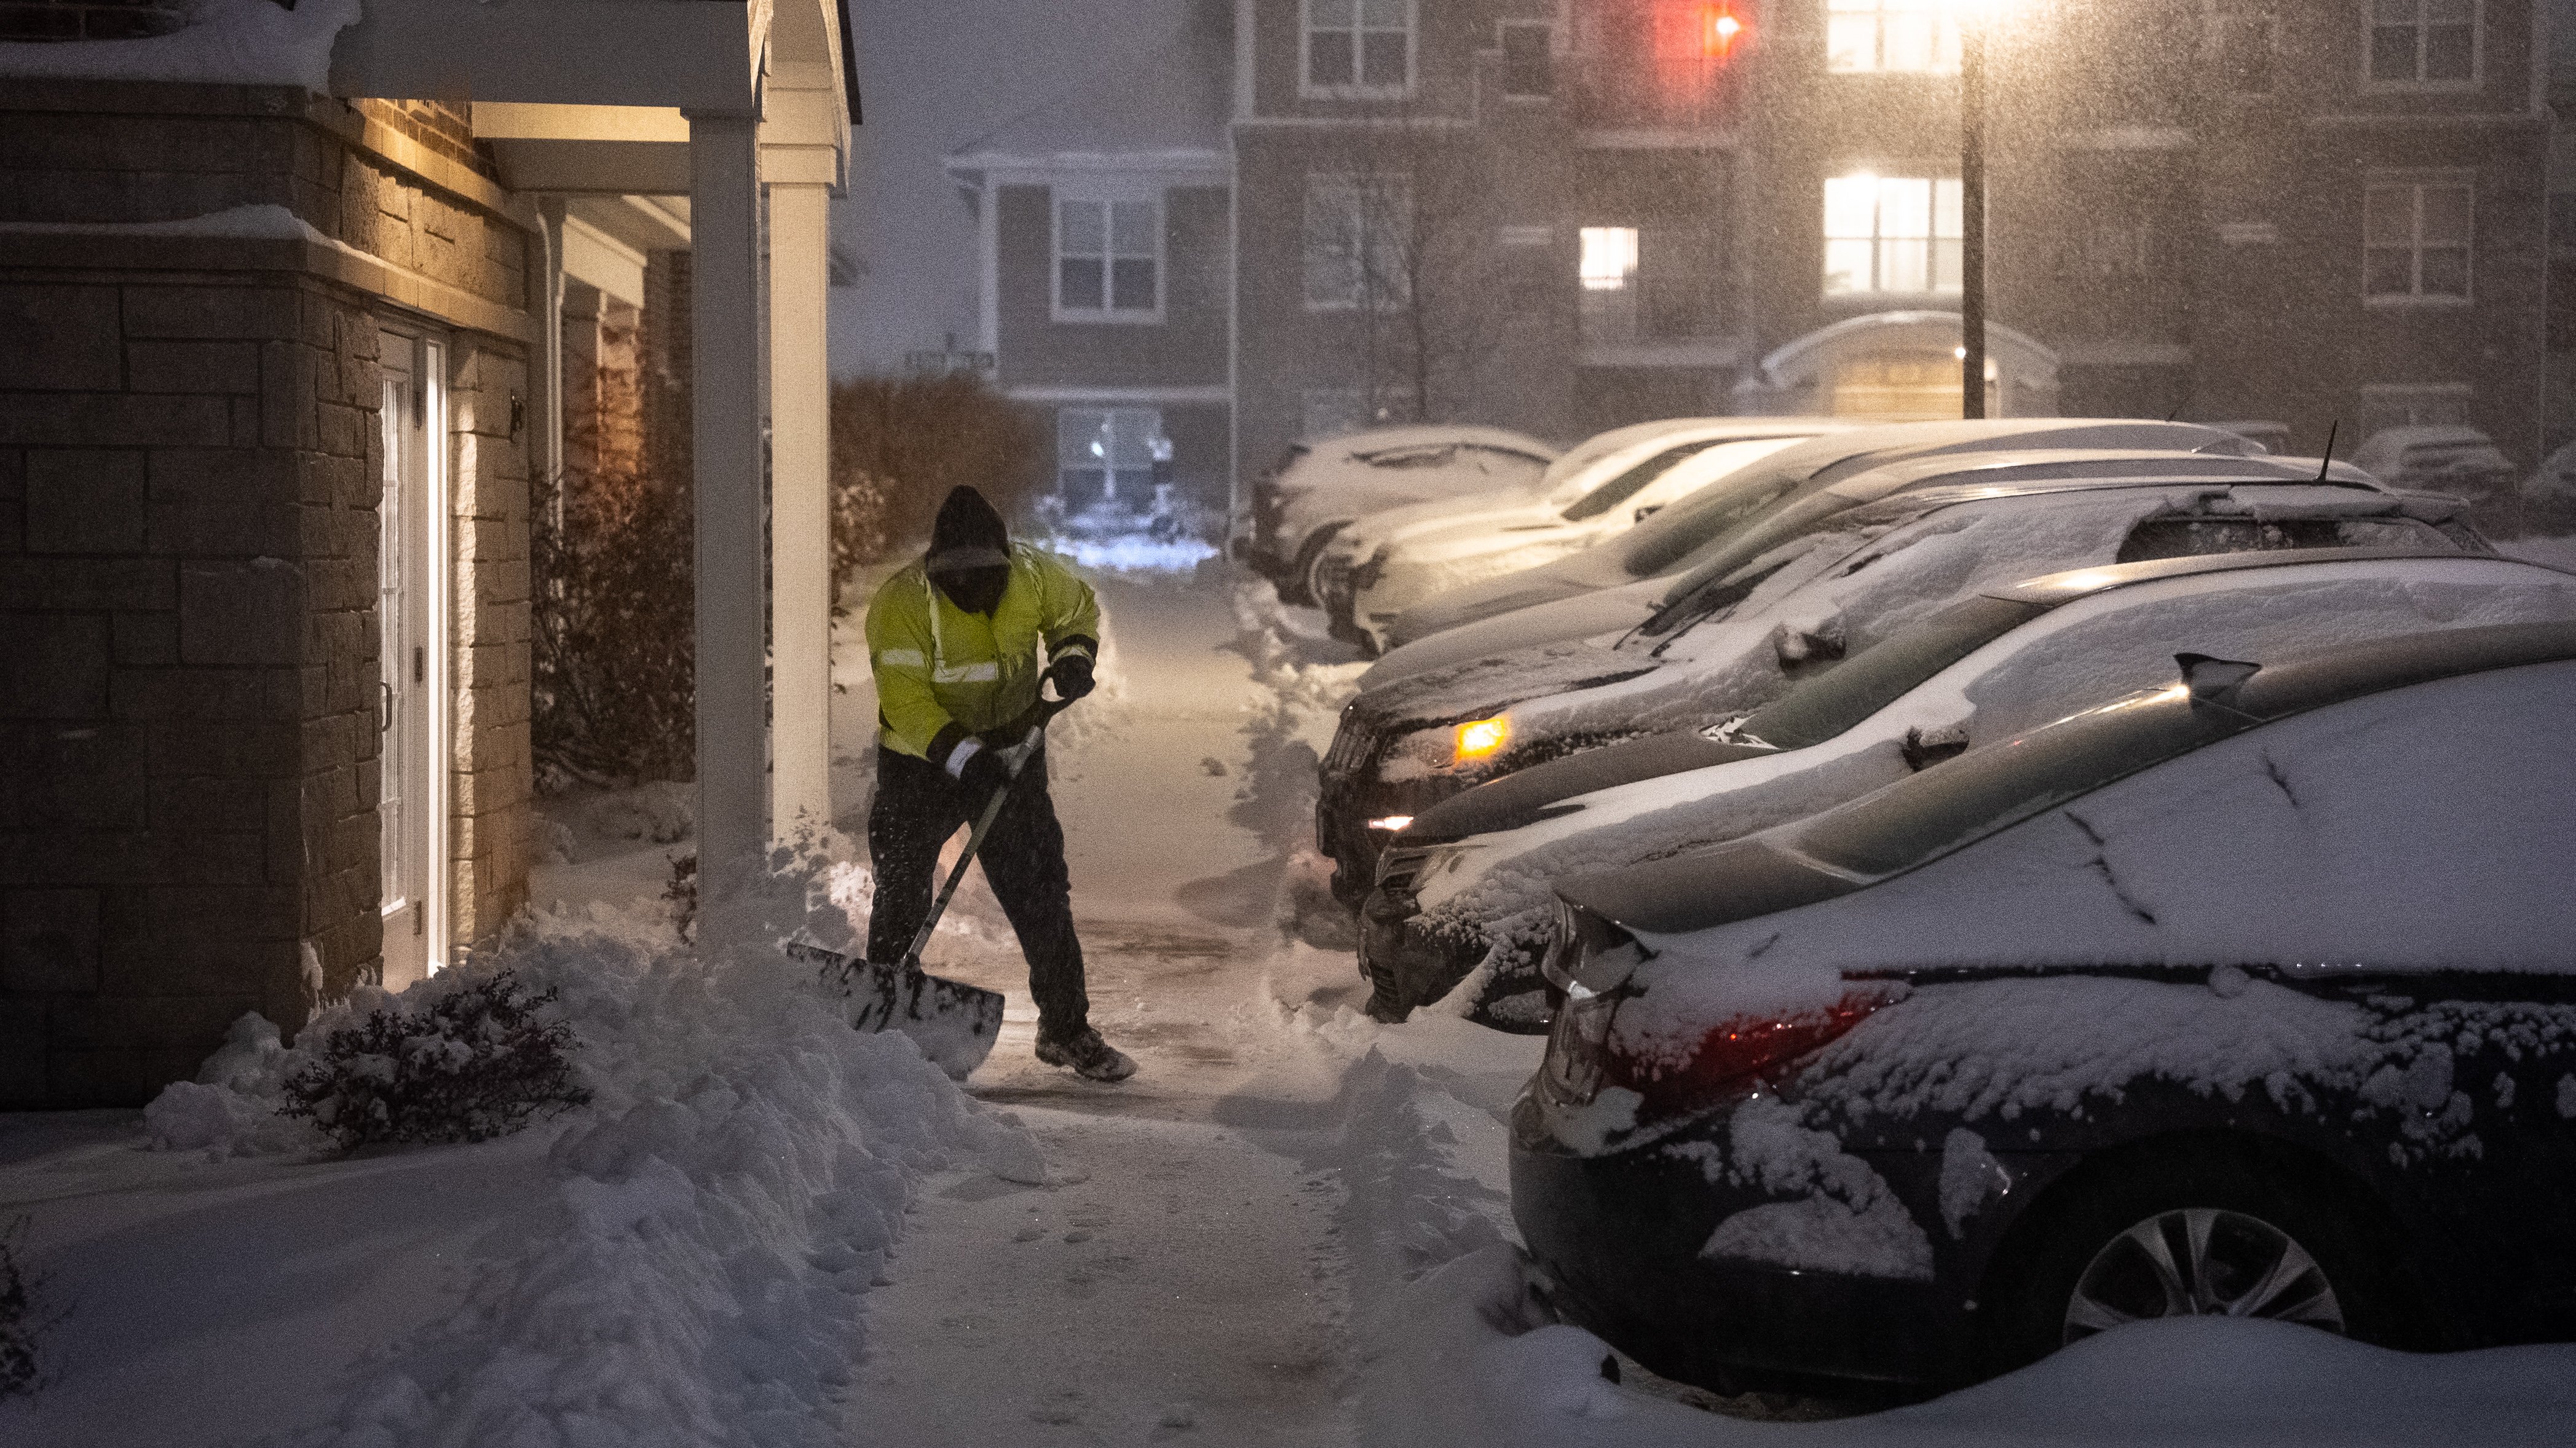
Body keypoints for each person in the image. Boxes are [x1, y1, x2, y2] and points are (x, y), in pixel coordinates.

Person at [864, 485, 1137, 1082]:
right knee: (903, 887)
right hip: (921, 765)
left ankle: (1065, 1030)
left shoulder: (1034, 576)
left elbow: (1076, 610)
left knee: (1039, 891)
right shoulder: (902, 602)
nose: (966, 586)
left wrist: (1072, 655)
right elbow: (905, 701)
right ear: (934, 565)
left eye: (981, 573)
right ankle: (878, 1020)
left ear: (1004, 561)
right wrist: (962, 755)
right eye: (952, 575)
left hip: (1012, 751)